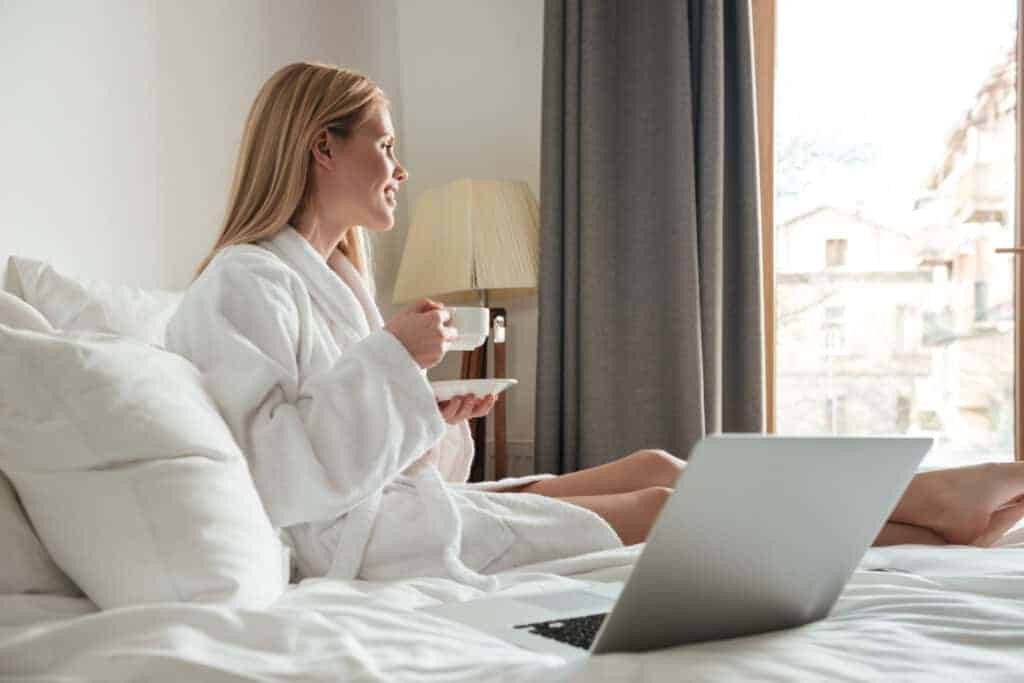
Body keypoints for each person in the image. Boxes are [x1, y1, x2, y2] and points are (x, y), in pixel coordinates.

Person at [167, 62, 1024, 588]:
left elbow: (372, 448)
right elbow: (278, 476)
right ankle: (925, 516)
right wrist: (394, 361)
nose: (399, 166)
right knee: (658, 503)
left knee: (659, 463)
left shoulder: (335, 280)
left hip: (407, 510)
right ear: (322, 146)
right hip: (374, 545)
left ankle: (923, 509)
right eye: (384, 145)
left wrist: (430, 414)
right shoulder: (240, 286)